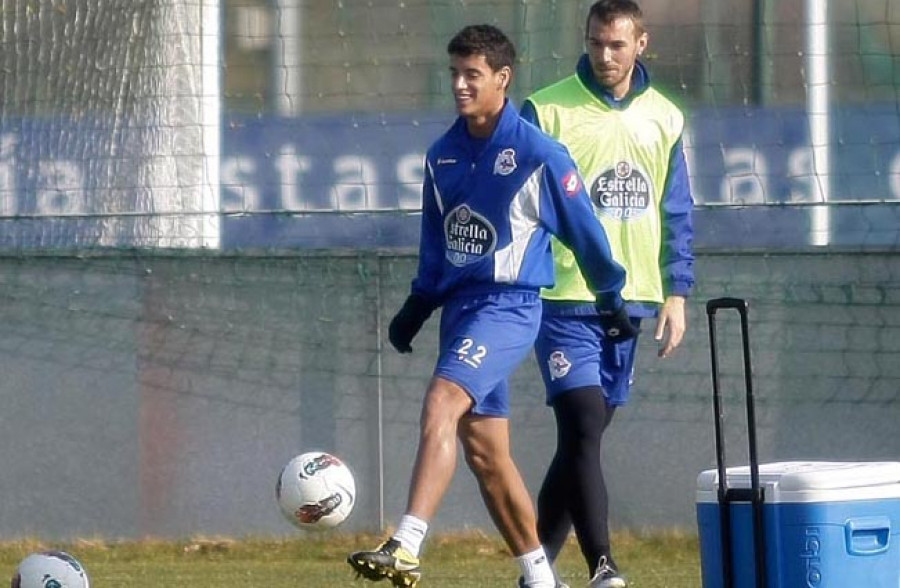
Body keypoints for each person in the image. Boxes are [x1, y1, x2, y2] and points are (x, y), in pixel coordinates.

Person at [346, 24, 636, 588]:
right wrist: (419, 303)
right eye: (453, 73)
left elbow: (586, 233)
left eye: (471, 75)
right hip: (461, 310)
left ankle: (406, 542)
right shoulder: (442, 156)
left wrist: (610, 296)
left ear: (502, 79)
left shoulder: (537, 153)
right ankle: (538, 575)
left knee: (441, 401)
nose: (459, 85)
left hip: (508, 308)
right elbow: (438, 245)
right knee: (485, 452)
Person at [520, 1, 695, 587]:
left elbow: (676, 210)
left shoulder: (666, 118)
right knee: (585, 421)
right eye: (597, 43)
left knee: (581, 440)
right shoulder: (546, 109)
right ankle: (604, 567)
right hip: (564, 296)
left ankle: (534, 570)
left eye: (617, 45)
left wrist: (677, 292)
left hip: (634, 299)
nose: (605, 55)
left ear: (640, 44)